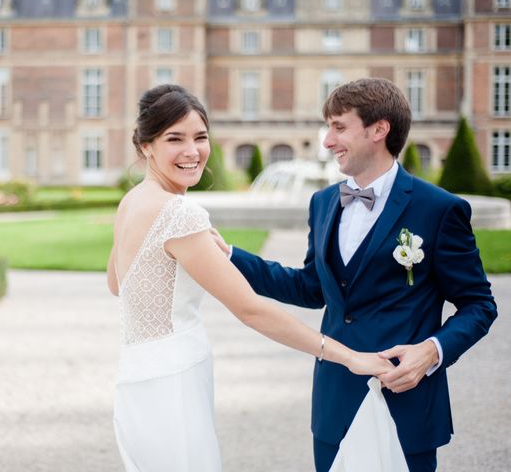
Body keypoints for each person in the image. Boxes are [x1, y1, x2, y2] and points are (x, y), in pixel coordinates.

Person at [213, 78, 498, 472]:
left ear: (379, 130)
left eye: (339, 127)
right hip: (335, 399)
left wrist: (431, 352)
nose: (327, 141)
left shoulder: (439, 209)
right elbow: (310, 287)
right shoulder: (323, 202)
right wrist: (227, 255)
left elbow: (479, 305)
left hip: (406, 395)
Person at [106, 84, 393, 472]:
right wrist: (349, 357)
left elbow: (117, 283)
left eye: (200, 137)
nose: (193, 151)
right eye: (175, 138)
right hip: (173, 378)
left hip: (136, 375)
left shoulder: (133, 201)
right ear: (146, 146)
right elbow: (251, 310)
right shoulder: (179, 214)